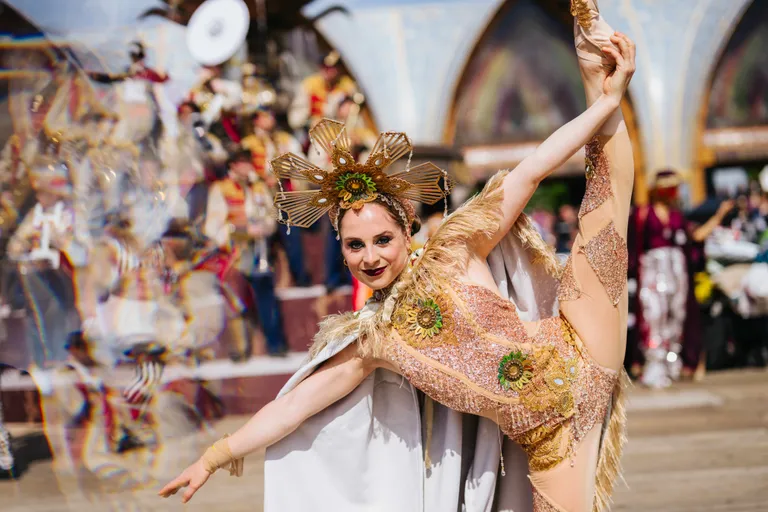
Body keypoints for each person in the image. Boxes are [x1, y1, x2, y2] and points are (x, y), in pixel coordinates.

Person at [161, 5, 635, 511]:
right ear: (342, 252)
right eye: (355, 245)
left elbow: (531, 170)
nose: (371, 256)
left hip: (584, 340)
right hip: (553, 438)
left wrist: (606, 103)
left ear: (407, 231)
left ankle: (594, 61)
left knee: (607, 200)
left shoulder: (454, 248)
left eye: (382, 239)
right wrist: (215, 456)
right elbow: (294, 405)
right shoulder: (375, 340)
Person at [627, 170, 733, 387]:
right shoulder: (643, 213)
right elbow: (633, 245)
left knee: (676, 316)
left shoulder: (677, 216)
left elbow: (697, 236)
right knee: (654, 315)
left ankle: (671, 361)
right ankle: (653, 363)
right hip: (652, 271)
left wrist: (719, 215)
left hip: (676, 272)